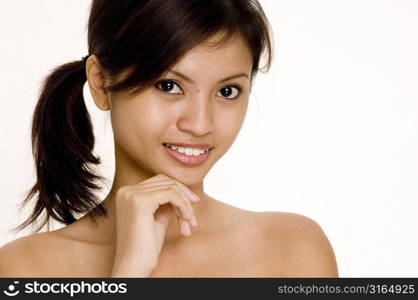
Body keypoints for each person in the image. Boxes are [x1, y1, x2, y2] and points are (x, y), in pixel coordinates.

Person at [0, 0, 338, 277]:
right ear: (102, 83)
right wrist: (129, 273)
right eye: (168, 86)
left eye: (228, 91)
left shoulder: (293, 249)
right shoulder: (25, 269)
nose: (200, 123)